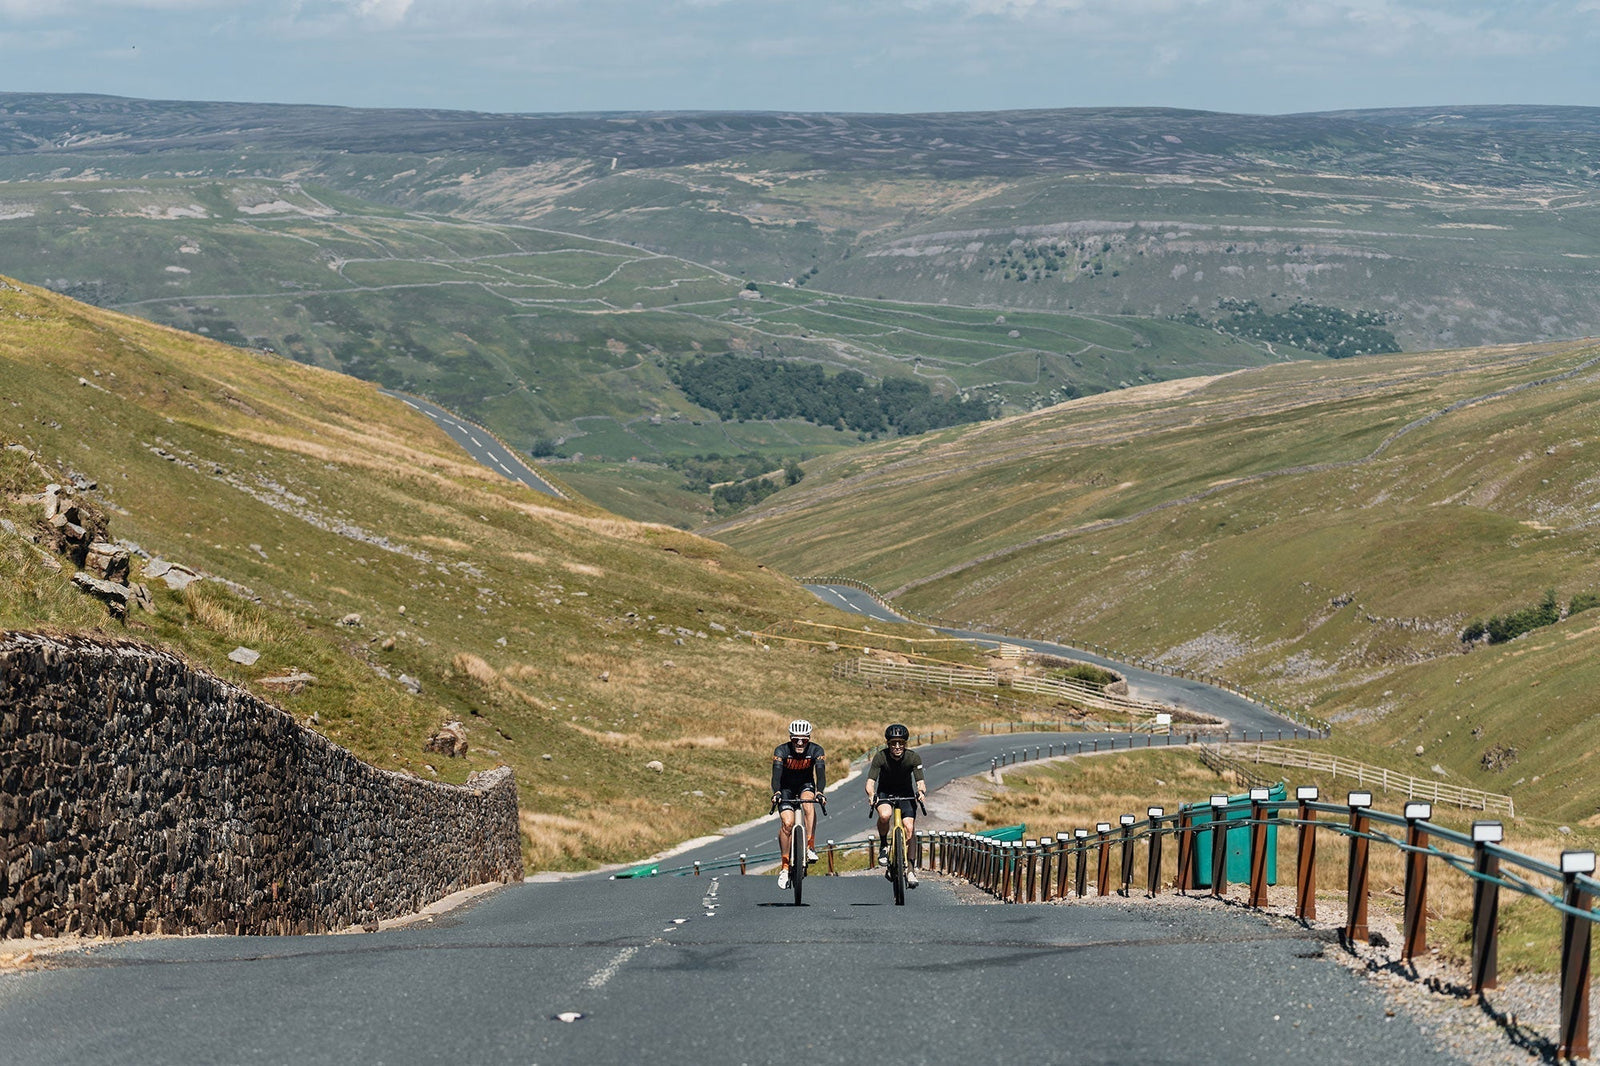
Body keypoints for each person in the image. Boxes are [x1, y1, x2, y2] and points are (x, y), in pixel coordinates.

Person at [864, 723, 926, 887]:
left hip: (906, 794)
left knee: (909, 827)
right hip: (885, 793)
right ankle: (884, 845)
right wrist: (871, 795)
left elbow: (920, 781)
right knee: (885, 815)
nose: (897, 747)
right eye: (893, 743)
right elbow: (870, 782)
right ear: (888, 744)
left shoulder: (913, 757)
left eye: (900, 743)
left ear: (905, 744)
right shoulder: (880, 757)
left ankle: (911, 869)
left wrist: (921, 792)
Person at [772, 719, 825, 890]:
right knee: (787, 824)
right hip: (786, 788)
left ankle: (810, 846)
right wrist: (777, 792)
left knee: (809, 804)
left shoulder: (816, 750)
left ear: (809, 738)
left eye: (804, 739)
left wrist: (820, 792)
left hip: (806, 785)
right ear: (790, 738)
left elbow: (820, 775)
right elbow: (776, 776)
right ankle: (785, 866)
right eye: (796, 739)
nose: (800, 743)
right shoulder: (781, 750)